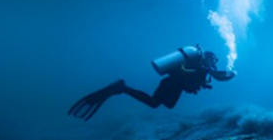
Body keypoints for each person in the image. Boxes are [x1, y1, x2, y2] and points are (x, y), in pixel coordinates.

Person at [68, 45, 236, 121]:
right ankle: (123, 87)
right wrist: (231, 73)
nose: (214, 63)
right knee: (155, 103)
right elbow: (218, 76)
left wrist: (199, 84)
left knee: (160, 104)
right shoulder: (203, 66)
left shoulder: (199, 67)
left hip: (169, 83)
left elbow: (190, 79)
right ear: (208, 58)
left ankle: (122, 88)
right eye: (213, 60)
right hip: (170, 84)